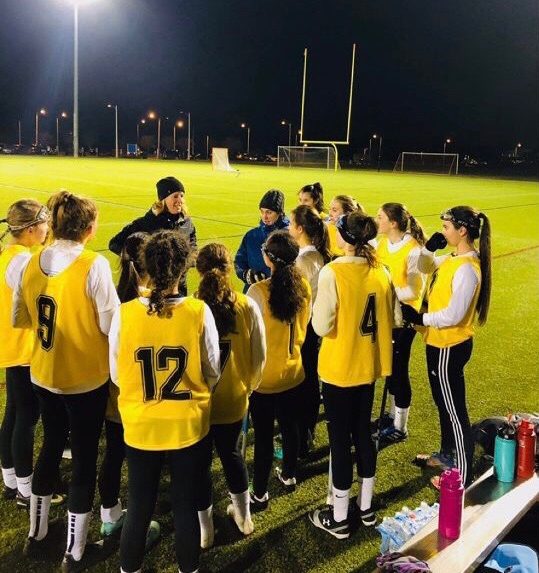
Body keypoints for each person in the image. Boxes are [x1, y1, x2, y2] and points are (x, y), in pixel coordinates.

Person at [13, 190, 119, 570]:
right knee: (85, 457)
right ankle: (75, 551)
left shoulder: (33, 260)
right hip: (84, 379)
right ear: (90, 229)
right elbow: (110, 324)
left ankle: (36, 534)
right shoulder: (94, 265)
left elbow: (20, 316)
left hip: (42, 373)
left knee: (50, 445)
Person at [110, 230, 220, 573]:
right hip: (188, 424)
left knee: (140, 505)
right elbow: (213, 369)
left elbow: (116, 373)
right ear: (183, 269)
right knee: (185, 505)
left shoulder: (125, 313)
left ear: (145, 266)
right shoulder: (198, 311)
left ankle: (129, 569)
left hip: (141, 424)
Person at [309, 212, 398, 539]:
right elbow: (395, 317)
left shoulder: (334, 272)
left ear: (346, 238)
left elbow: (321, 326)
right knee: (363, 434)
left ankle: (341, 517)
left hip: (339, 367)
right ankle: (366, 507)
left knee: (339, 439)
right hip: (369, 366)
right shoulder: (381, 270)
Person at [402, 206, 491, 488]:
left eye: (446, 228)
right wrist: (428, 249)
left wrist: (421, 317)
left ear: (462, 230)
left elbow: (453, 314)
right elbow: (420, 266)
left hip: (449, 347)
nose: (443, 232)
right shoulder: (453, 259)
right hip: (438, 342)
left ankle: (462, 477)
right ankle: (446, 455)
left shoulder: (467, 269)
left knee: (455, 411)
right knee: (444, 403)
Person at [194, 243, 266, 547]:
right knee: (233, 456)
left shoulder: (192, 307)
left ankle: (205, 531)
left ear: (199, 272)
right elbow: (259, 355)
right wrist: (247, 386)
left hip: (198, 402)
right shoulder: (246, 305)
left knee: (199, 466)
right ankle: (244, 517)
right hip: (234, 398)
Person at [246, 231, 311, 510]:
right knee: (290, 427)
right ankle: (289, 475)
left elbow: (249, 338)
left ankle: (259, 493)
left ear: (268, 258)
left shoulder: (258, 292)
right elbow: (305, 326)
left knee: (262, 437)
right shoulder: (303, 285)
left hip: (264, 378)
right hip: (294, 370)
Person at [98, 232, 155, 540]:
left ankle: (110, 515)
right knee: (140, 461)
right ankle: (139, 528)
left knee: (114, 452)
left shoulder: (114, 297)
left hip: (115, 391)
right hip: (144, 391)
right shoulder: (154, 301)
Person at [0, 200, 51, 507]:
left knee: (13, 413)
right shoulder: (23, 262)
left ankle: (9, 479)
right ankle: (25, 490)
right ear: (31, 229)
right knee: (27, 417)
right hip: (22, 348)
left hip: (10, 344)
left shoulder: (10, 255)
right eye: (44, 225)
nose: (47, 230)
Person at [374, 203, 427, 446]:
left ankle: (400, 427)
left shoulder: (415, 251)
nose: (377, 220)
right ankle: (393, 416)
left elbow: (414, 292)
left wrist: (386, 289)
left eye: (381, 217)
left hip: (405, 319)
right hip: (388, 316)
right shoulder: (382, 243)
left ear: (393, 223)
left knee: (399, 370)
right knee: (390, 367)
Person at [288, 205, 331, 457]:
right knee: (310, 381)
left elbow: (297, 298)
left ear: (300, 229)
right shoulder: (317, 255)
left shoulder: (303, 260)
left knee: (303, 383)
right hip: (313, 327)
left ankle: (301, 439)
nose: (288, 227)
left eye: (291, 223)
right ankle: (306, 435)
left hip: (305, 327)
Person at [109, 176, 196, 296]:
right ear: (163, 199)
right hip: (153, 290)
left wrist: (186, 263)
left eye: (182, 195)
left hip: (179, 288)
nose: (180, 200)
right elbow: (114, 243)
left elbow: (193, 249)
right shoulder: (147, 221)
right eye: (175, 196)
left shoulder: (187, 223)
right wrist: (145, 262)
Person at [234, 189, 289, 292]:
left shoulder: (289, 237)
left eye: (269, 212)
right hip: (253, 292)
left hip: (279, 294)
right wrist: (246, 274)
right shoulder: (251, 235)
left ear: (279, 213)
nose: (265, 216)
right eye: (262, 211)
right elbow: (239, 261)